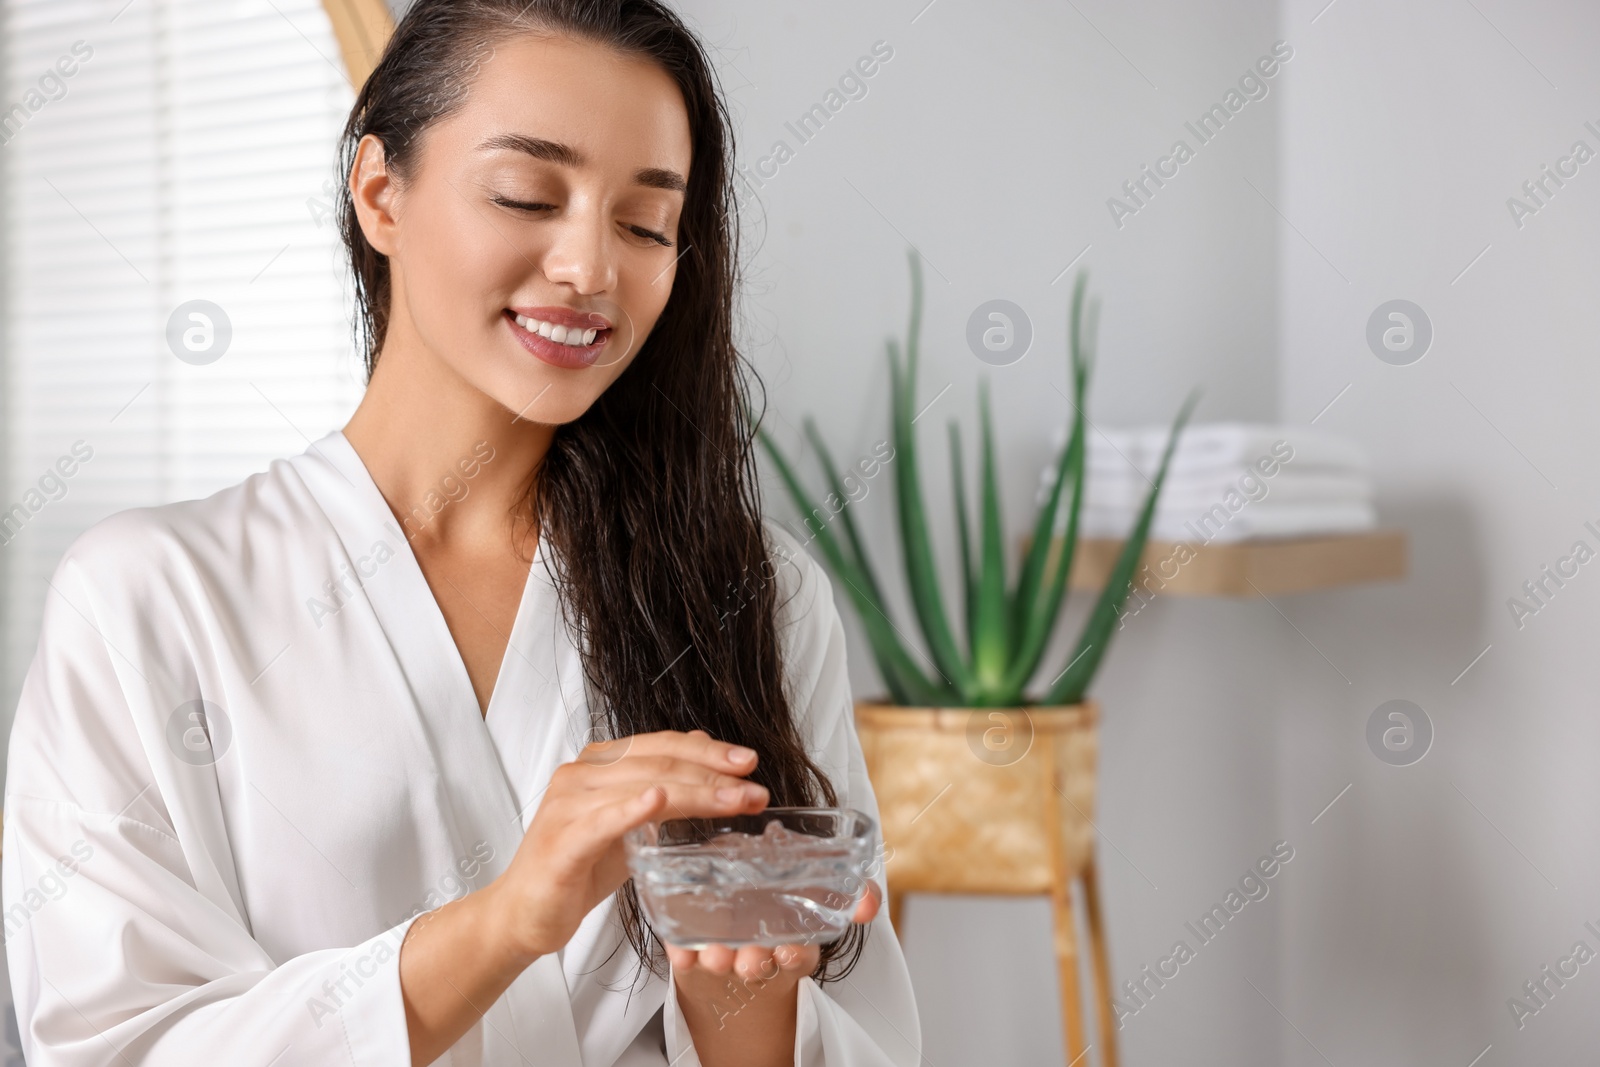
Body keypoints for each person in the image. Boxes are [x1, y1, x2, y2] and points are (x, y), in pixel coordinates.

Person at [0, 1, 920, 1063]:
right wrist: (508, 919)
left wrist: (742, 984)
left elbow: (855, 1037)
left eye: (645, 223)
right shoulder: (149, 597)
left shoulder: (756, 593)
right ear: (380, 193)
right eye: (528, 193)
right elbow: (118, 1040)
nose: (590, 267)